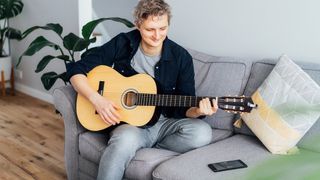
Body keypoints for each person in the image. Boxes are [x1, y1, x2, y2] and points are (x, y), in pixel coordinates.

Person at [66, 0, 218, 179]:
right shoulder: (123, 43)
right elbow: (76, 70)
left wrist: (197, 110)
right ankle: (132, 144)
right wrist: (96, 99)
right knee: (123, 141)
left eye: (162, 28)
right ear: (138, 24)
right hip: (130, 125)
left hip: (165, 122)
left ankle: (143, 146)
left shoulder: (181, 57)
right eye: (150, 29)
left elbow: (184, 105)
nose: (157, 35)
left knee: (202, 132)